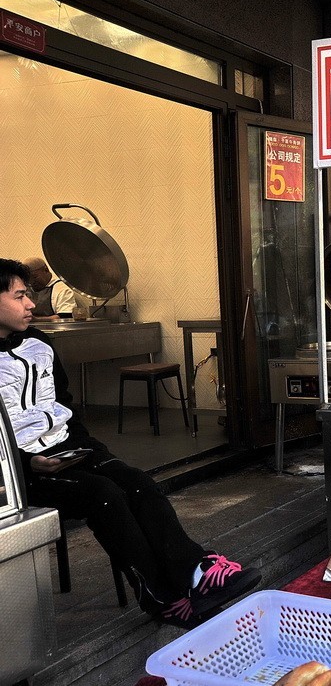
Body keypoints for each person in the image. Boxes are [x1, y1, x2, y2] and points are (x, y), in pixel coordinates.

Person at [0, 258, 260, 629]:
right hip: (18, 473)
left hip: (66, 448)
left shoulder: (40, 344)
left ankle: (196, 574)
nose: (30, 304)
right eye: (19, 296)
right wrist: (26, 462)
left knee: (136, 481)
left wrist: (89, 448)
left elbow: (62, 405)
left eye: (29, 295)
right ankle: (162, 599)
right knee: (104, 495)